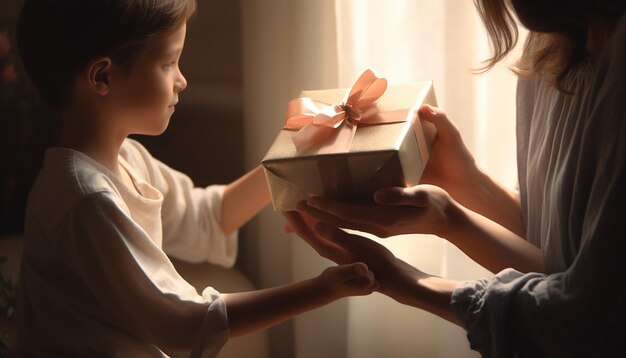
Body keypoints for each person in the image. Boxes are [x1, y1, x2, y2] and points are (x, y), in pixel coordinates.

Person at [15, 0, 377, 356]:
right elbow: (182, 323)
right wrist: (324, 289)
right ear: (103, 76)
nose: (182, 80)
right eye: (169, 62)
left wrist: (296, 152)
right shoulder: (87, 200)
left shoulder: (126, 160)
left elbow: (208, 216)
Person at [286, 0, 626, 356]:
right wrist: (464, 185)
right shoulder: (548, 44)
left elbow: (583, 323)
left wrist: (399, 278)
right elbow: (561, 253)